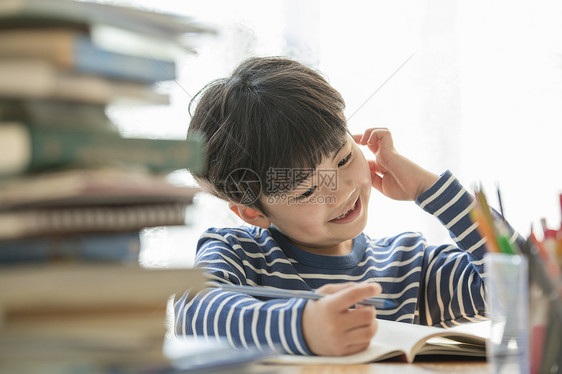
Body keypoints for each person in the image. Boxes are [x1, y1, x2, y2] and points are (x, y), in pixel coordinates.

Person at [173, 56, 518, 357]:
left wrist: (429, 189)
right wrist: (304, 327)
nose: (340, 192)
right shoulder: (239, 255)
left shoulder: (409, 266)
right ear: (254, 212)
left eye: (343, 159)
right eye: (307, 192)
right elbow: (194, 314)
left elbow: (524, 288)